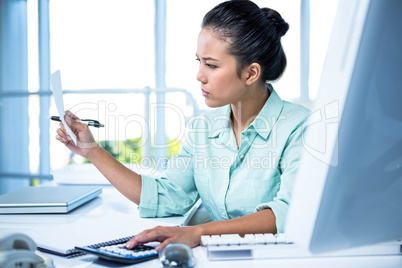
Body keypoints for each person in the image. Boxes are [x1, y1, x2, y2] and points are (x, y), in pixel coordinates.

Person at [56, 0, 309, 251]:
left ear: (251, 73)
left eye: (211, 65)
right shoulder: (203, 128)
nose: (199, 75)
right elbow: (168, 196)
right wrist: (92, 151)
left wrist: (197, 233)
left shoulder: (298, 126)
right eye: (198, 61)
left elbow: (286, 213)